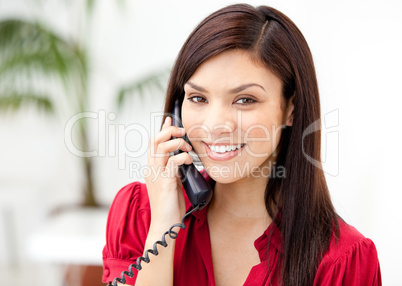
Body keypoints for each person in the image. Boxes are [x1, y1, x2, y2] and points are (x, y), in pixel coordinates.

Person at [102, 4, 381, 286]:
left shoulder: (342, 260)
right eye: (198, 98)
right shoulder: (140, 214)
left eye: (245, 100)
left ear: (291, 109)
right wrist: (163, 227)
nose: (215, 125)